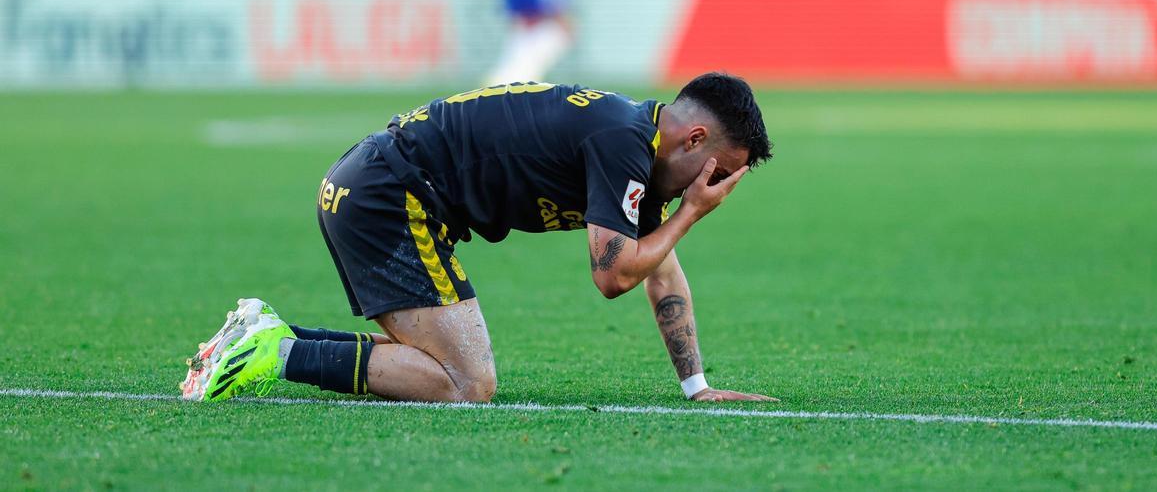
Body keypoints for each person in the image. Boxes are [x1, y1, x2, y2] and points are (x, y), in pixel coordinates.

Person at [180, 73, 776, 403]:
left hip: (375, 184)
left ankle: (265, 335)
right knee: (466, 384)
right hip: (392, 195)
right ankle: (275, 353)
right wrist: (691, 212)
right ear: (694, 140)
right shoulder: (623, 142)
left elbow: (658, 270)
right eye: (719, 173)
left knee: (443, 366)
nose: (714, 188)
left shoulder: (636, 143)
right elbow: (614, 276)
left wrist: (697, 387)